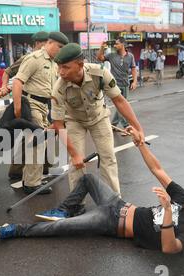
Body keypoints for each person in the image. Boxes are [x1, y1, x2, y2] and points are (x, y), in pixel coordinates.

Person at [0, 125, 184, 255]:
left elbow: (169, 248)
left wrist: (168, 211)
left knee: (59, 229)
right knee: (88, 178)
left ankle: (16, 230)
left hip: (110, 223)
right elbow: (158, 170)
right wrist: (140, 145)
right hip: (119, 205)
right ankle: (66, 209)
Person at [51, 43, 144, 194]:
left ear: (80, 65)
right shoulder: (58, 88)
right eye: (58, 67)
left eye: (65, 67)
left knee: (108, 157)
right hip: (74, 121)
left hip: (99, 117)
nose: (60, 72)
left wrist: (138, 128)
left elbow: (119, 101)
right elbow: (58, 125)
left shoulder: (100, 74)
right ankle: (76, 203)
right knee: (76, 163)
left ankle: (113, 200)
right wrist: (75, 155)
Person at [12, 31, 69, 195]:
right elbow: (17, 82)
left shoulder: (53, 62)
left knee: (37, 143)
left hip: (44, 107)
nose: (60, 50)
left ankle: (29, 179)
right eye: (59, 47)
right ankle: (31, 184)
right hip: (31, 105)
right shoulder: (34, 58)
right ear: (49, 43)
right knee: (38, 143)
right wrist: (18, 109)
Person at [0, 32, 49, 181]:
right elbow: (8, 72)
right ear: (37, 43)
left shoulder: (50, 59)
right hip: (30, 102)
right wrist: (4, 86)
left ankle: (18, 170)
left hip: (44, 104)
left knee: (33, 136)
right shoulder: (29, 58)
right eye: (45, 43)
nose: (47, 47)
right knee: (38, 136)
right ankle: (34, 177)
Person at [97, 37, 137, 131]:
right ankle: (126, 125)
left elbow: (134, 68)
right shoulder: (111, 55)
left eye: (117, 44)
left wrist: (134, 81)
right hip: (114, 85)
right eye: (114, 44)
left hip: (125, 84)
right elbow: (100, 58)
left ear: (122, 45)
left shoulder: (130, 56)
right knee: (121, 105)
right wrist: (102, 48)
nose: (115, 45)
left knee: (122, 105)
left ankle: (113, 124)